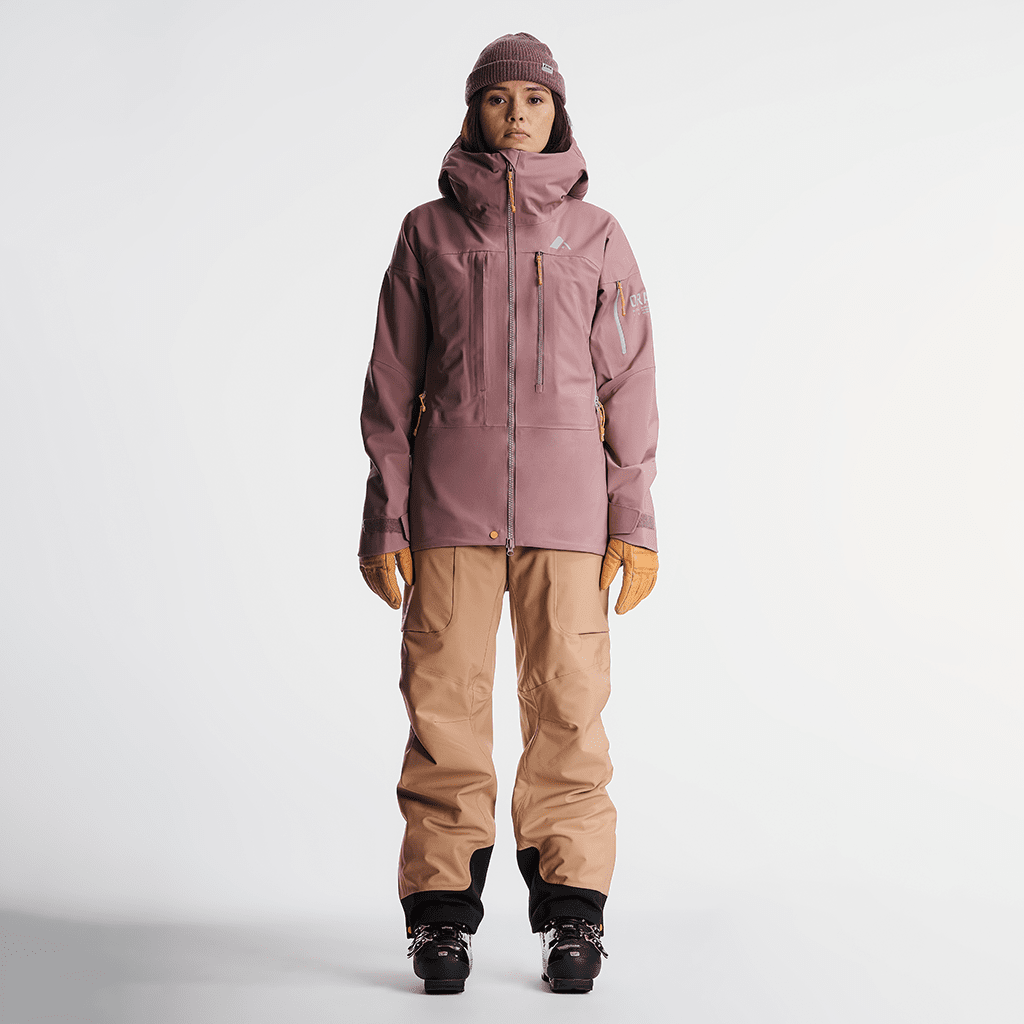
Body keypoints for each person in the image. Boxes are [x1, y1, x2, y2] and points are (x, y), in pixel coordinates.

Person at [357, 31, 659, 994]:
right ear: (475, 113)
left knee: (569, 710)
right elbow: (390, 389)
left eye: (534, 99)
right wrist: (386, 517)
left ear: (557, 113)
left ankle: (573, 913)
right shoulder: (427, 234)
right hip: (449, 509)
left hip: (570, 517)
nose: (517, 113)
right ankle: (440, 920)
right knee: (444, 710)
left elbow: (630, 382)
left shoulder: (598, 236)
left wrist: (633, 517)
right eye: (499, 99)